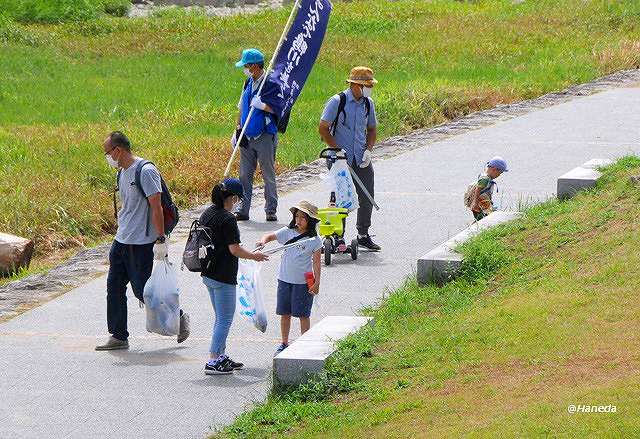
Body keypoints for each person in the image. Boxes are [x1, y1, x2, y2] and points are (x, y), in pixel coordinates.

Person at [96, 131, 190, 351]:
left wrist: (160, 239)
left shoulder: (145, 171)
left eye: (107, 153)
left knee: (143, 291)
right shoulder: (121, 172)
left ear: (118, 150)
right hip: (121, 240)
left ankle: (180, 316)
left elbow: (156, 206)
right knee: (114, 289)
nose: (107, 157)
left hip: (142, 244)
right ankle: (118, 336)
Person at [200, 178, 269, 375]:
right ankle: (213, 360)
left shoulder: (208, 213)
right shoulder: (228, 219)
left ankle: (221, 355)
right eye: (237, 199)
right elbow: (235, 249)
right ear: (230, 198)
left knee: (219, 317)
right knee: (224, 319)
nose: (238, 202)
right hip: (223, 276)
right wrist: (255, 256)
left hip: (209, 274)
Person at [319, 66, 381, 251]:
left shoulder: (368, 104)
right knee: (341, 197)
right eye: (366, 85)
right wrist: (337, 150)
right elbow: (323, 127)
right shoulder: (338, 101)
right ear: (355, 84)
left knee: (367, 195)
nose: (369, 88)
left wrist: (368, 150)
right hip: (338, 159)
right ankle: (338, 236)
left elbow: (372, 129)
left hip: (360, 156)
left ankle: (363, 234)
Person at [256, 201, 322, 355]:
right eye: (297, 216)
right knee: (285, 314)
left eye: (303, 218)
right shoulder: (288, 232)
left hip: (304, 281)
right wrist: (262, 241)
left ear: (310, 220)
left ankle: (305, 345)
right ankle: (284, 343)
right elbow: (269, 236)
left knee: (303, 314)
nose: (298, 220)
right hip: (284, 279)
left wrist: (317, 282)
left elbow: (317, 263)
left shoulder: (315, 240)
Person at [232, 48, 284, 222]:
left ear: (254, 66)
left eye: (246, 65)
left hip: (264, 136)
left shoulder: (270, 84)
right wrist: (237, 129)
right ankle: (243, 209)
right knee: (244, 175)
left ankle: (271, 209)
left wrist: (263, 106)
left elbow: (278, 108)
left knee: (267, 173)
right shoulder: (247, 82)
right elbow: (241, 108)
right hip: (247, 136)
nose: (244, 68)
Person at [470, 156, 508, 221]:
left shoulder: (486, 177)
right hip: (479, 205)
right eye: (499, 173)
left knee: (485, 217)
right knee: (482, 219)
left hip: (483, 204)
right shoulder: (485, 179)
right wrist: (475, 203)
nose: (499, 175)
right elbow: (478, 189)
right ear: (494, 169)